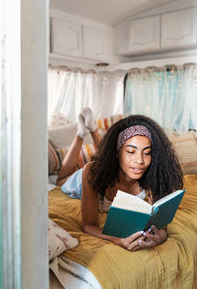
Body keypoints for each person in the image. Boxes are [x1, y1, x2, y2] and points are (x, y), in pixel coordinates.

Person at [57, 107, 183, 251]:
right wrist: (118, 240)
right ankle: (81, 133)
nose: (140, 161)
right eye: (131, 151)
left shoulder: (153, 177)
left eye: (147, 153)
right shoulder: (91, 172)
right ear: (117, 153)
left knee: (108, 154)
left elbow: (161, 228)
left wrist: (159, 238)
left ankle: (92, 128)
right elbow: (89, 225)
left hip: (112, 166)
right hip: (85, 180)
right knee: (61, 180)